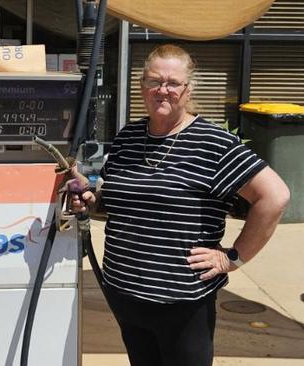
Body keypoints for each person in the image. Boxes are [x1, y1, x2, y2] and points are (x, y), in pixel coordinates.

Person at [68, 44, 290, 366]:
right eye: (154, 81)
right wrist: (90, 198)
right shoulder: (128, 137)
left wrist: (234, 257)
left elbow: (275, 196)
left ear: (188, 89)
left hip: (182, 302)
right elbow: (115, 202)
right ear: (142, 86)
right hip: (124, 292)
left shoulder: (214, 143)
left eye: (173, 83)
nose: (163, 90)